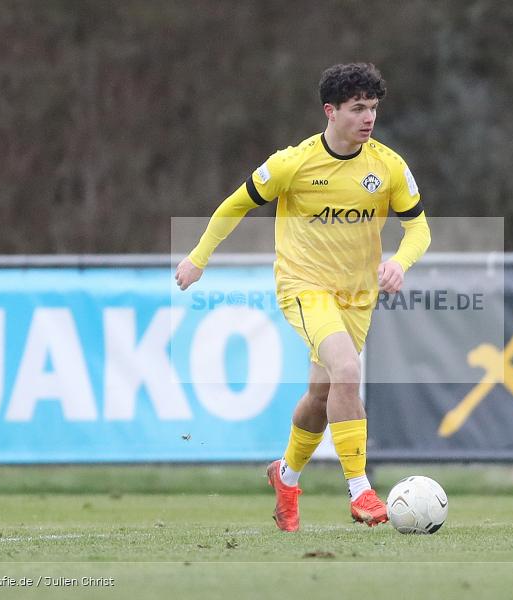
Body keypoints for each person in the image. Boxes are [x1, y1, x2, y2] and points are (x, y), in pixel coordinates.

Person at [175, 63, 430, 531]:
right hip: (303, 287)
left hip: (356, 296)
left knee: (322, 393)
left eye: (373, 108)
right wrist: (198, 257)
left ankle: (286, 476)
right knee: (347, 370)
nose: (368, 117)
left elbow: (419, 227)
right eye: (357, 109)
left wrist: (399, 262)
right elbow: (236, 203)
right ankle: (360, 491)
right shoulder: (293, 163)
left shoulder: (389, 166)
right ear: (330, 112)